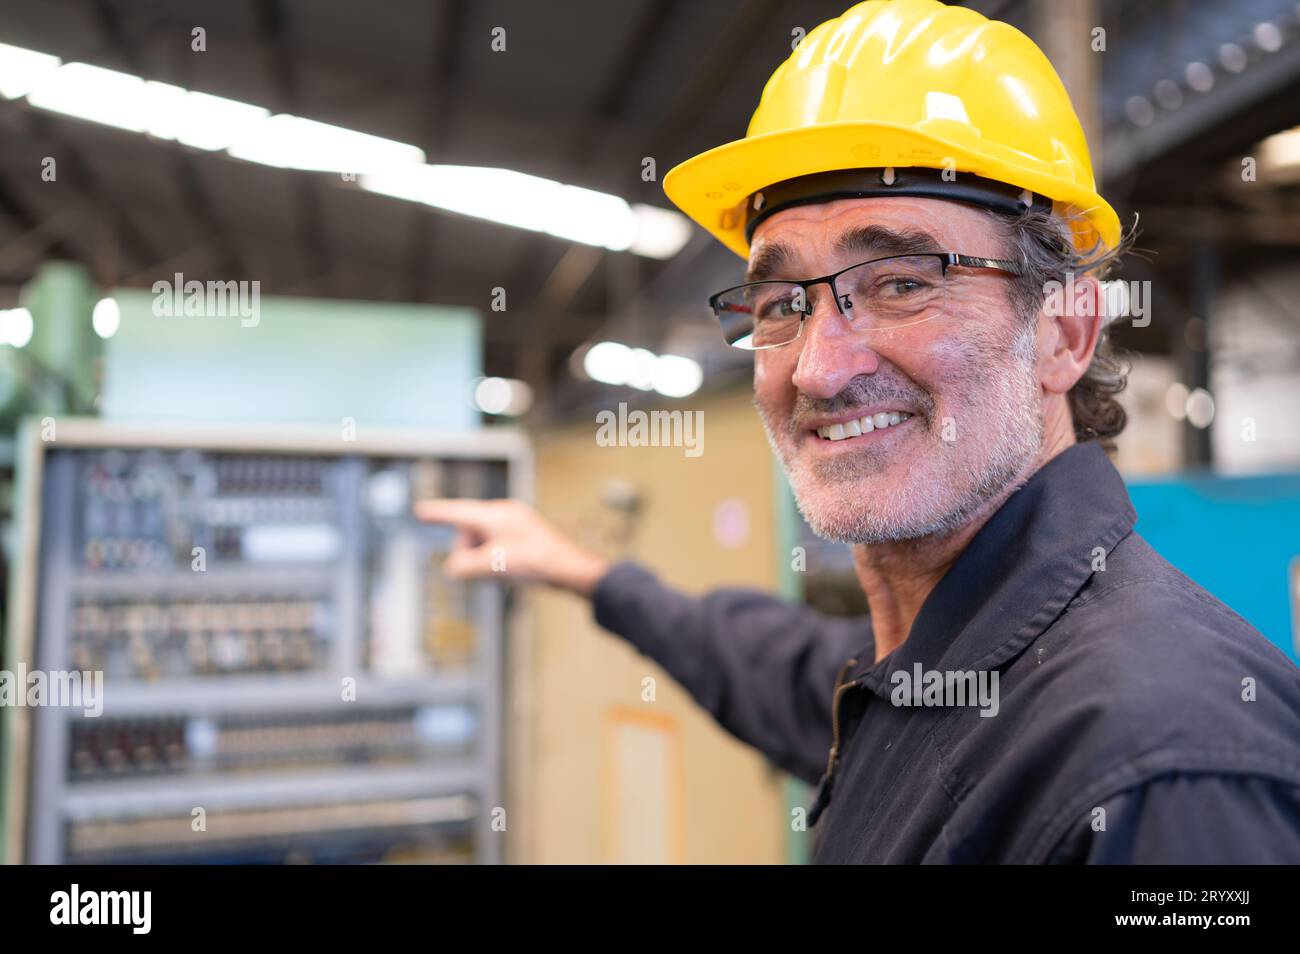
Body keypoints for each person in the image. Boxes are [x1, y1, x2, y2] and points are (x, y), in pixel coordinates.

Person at [421, 0, 1300, 863]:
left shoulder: (1160, 773)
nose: (818, 368)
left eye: (903, 284)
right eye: (779, 303)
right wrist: (577, 569)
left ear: (1064, 331)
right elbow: (762, 663)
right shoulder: (929, 668)